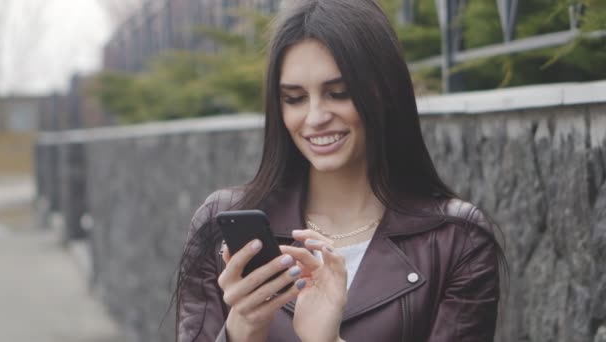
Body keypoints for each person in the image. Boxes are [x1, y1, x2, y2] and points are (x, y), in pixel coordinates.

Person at [175, 0, 505, 341]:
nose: (315, 117)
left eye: (339, 93)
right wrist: (242, 329)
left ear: (385, 91)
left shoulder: (458, 240)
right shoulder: (220, 226)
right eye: (294, 98)